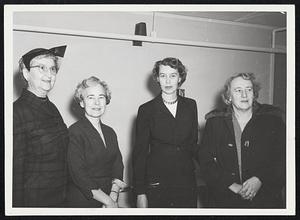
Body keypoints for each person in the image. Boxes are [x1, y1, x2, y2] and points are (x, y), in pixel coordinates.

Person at [199, 72, 286, 208]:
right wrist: (232, 185)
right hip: (225, 199)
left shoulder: (273, 120)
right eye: (238, 90)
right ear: (229, 97)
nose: (244, 95)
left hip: (265, 199)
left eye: (248, 90)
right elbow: (206, 161)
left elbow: (283, 158)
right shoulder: (215, 122)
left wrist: (260, 179)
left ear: (254, 94)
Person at [132, 57, 199, 208]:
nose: (168, 81)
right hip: (157, 184)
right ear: (157, 78)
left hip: (186, 183)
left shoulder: (191, 105)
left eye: (173, 75)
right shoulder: (146, 110)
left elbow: (193, 144)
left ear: (180, 78)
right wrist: (140, 193)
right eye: (163, 76)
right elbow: (139, 154)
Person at [13, 45, 69, 207]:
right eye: (42, 68)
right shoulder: (16, 112)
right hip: (35, 203)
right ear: (26, 73)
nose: (49, 74)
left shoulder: (51, 108)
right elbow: (14, 175)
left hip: (60, 199)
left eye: (53, 69)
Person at [67, 76, 126, 208]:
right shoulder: (75, 131)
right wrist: (108, 201)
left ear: (106, 100)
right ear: (82, 102)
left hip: (110, 197)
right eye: (90, 98)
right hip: (83, 201)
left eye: (101, 97)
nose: (97, 103)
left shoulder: (110, 132)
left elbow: (118, 165)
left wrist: (114, 194)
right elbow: (79, 175)